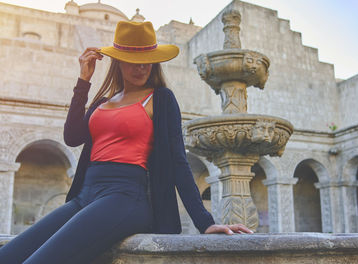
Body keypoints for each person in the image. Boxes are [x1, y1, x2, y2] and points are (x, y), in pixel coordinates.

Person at [0, 21, 253, 264]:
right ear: (118, 61)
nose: (141, 68)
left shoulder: (161, 99)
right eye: (133, 62)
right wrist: (83, 82)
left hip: (125, 197)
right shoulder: (103, 102)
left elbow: (178, 160)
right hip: (85, 195)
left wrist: (205, 222)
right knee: (8, 255)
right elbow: (73, 137)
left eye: (147, 62)